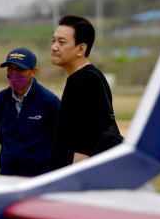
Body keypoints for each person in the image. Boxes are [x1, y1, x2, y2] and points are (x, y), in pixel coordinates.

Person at [50, 15, 118, 170]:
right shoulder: (79, 78)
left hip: (74, 179)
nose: (54, 47)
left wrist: (73, 181)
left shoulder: (87, 80)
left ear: (81, 49)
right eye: (53, 41)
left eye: (61, 42)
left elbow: (85, 141)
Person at [0, 47, 60, 176]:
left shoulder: (49, 101)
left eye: (20, 69)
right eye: (10, 68)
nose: (14, 73)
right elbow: (1, 136)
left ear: (33, 71)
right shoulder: (1, 99)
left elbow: (60, 140)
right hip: (7, 173)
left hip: (39, 175)